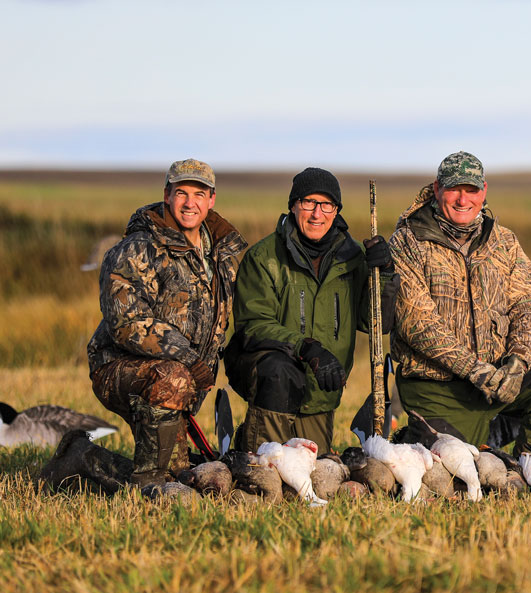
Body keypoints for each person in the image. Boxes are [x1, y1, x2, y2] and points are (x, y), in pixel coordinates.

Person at [389, 151, 531, 450]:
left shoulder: (503, 241)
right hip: (438, 386)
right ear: (437, 189)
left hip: (499, 375)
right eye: (454, 189)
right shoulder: (407, 241)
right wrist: (474, 370)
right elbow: (417, 323)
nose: (463, 200)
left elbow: (529, 304)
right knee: (450, 472)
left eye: (472, 190)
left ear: (484, 191)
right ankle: (447, 438)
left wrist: (517, 362)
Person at [87, 159, 247, 486]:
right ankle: (148, 489)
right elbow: (126, 322)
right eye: (182, 193)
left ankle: (83, 458)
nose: (190, 203)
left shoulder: (222, 253)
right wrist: (188, 359)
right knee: (164, 476)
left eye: (199, 194)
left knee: (180, 472)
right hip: (121, 367)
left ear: (212, 199)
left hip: (181, 380)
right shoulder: (138, 248)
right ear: (166, 196)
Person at [224, 168, 398, 454]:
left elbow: (376, 323)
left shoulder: (353, 257)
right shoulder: (264, 257)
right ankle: (257, 456)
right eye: (308, 203)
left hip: (321, 389)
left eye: (326, 205)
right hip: (269, 376)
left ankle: (247, 441)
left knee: (314, 468)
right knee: (278, 377)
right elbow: (253, 326)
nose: (317, 213)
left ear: (336, 210)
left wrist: (386, 274)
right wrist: (308, 348)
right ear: (293, 206)